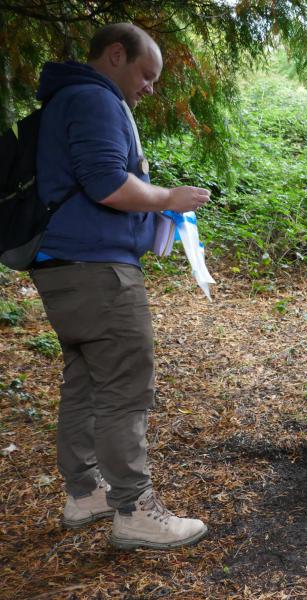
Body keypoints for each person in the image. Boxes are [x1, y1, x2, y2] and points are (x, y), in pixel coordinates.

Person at [30, 23, 211, 549]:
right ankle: (134, 509)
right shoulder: (95, 99)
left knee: (84, 383)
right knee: (126, 389)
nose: (149, 88)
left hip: (62, 266)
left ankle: (85, 491)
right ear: (116, 55)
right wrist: (167, 197)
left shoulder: (65, 99)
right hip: (98, 271)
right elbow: (108, 183)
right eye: (146, 74)